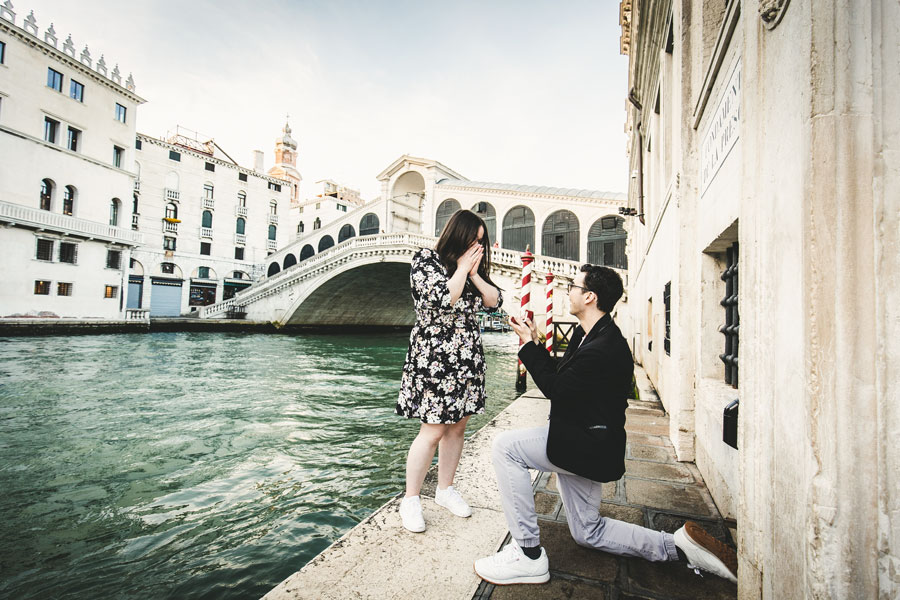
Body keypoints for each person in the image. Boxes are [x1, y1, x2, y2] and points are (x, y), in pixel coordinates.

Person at [473, 265, 737, 585]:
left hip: (584, 446)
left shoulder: (602, 347)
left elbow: (557, 390)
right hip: (590, 442)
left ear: (589, 296)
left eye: (573, 286)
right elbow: (568, 378)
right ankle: (677, 547)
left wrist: (528, 346)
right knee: (588, 532)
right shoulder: (593, 333)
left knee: (507, 448)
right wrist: (536, 342)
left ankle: (527, 555)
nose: (568, 290)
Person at [396, 209, 502, 532]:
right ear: (459, 234)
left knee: (457, 428)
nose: (478, 248)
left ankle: (445, 489)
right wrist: (460, 269)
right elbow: (444, 298)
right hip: (434, 358)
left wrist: (473, 274)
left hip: (467, 358)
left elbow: (494, 300)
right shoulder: (425, 261)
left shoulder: (471, 272)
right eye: (474, 240)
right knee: (432, 430)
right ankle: (410, 499)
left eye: (482, 242)